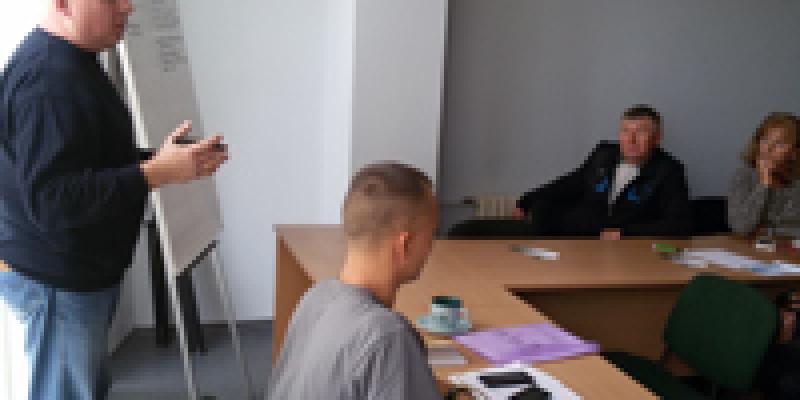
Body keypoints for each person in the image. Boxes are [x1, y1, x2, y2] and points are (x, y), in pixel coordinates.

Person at [0, 1, 228, 399]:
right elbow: (53, 200)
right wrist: (155, 172)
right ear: (63, 3)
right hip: (58, 282)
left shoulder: (74, 60)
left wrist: (159, 162)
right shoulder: (48, 80)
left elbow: (86, 161)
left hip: (74, 276)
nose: (127, 6)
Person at [268, 162, 443, 400]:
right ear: (404, 245)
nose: (431, 247)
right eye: (431, 236)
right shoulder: (387, 336)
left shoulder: (315, 297)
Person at [514, 105, 692, 239]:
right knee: (542, 209)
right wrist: (526, 201)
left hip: (624, 244)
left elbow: (679, 224)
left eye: (640, 132)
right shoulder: (604, 154)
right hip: (585, 232)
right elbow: (571, 183)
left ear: (657, 138)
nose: (631, 140)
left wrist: (625, 233)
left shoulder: (669, 170)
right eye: (625, 131)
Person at [727, 112, 800, 236]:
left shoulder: (797, 181)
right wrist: (764, 183)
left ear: (794, 152)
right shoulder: (743, 176)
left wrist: (768, 231)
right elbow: (740, 227)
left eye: (779, 144)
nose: (768, 149)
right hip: (751, 246)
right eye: (765, 140)